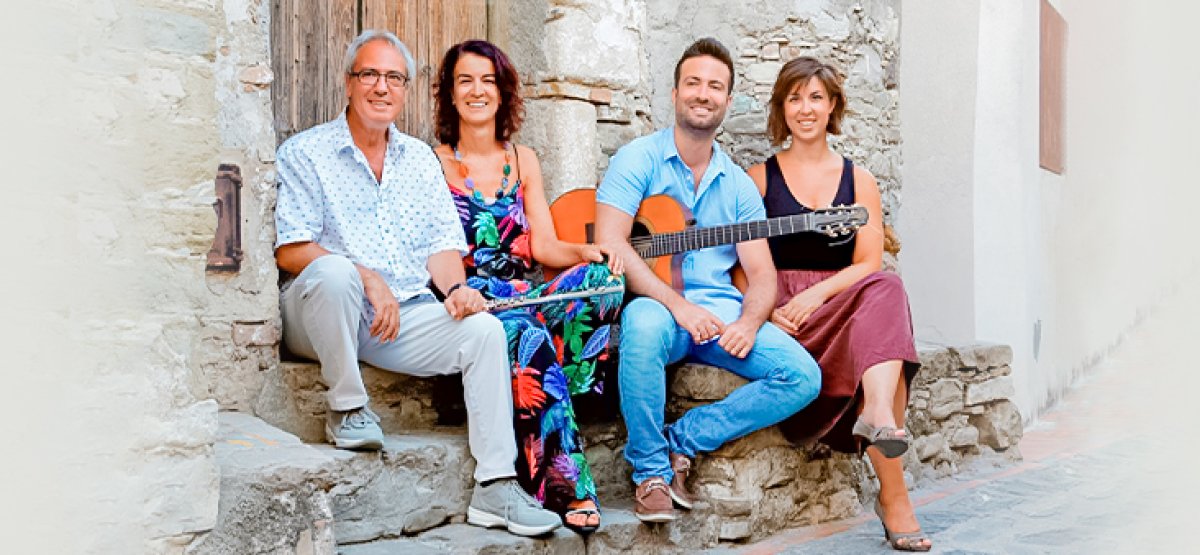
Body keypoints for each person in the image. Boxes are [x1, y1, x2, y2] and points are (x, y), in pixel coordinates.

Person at [273, 30, 560, 538]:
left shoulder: (419, 160)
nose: (381, 87)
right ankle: (347, 409)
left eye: (394, 78)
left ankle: (495, 486)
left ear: (405, 90)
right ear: (348, 83)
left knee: (484, 332)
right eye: (369, 74)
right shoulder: (306, 152)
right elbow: (291, 249)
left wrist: (456, 291)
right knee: (337, 275)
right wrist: (367, 278)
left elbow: (442, 248)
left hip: (397, 318)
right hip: (320, 313)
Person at [594, 38, 822, 523]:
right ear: (674, 93)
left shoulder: (737, 184)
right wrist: (679, 308)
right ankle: (651, 473)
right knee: (642, 326)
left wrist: (749, 321)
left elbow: (762, 273)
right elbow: (612, 242)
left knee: (803, 376)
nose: (703, 93)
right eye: (693, 83)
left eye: (715, 86)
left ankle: (684, 439)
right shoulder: (638, 159)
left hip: (721, 314)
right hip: (659, 306)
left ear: (728, 100)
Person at [431, 39, 626, 535]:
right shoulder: (432, 163)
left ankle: (554, 393)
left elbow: (543, 245)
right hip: (476, 302)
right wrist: (461, 292)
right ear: (451, 94)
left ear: (503, 92)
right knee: (527, 333)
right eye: (465, 81)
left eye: (488, 81)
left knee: (605, 280)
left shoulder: (523, 160)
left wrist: (584, 252)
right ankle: (567, 488)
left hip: (526, 294)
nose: (477, 91)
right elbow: (434, 251)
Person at [746, 56, 930, 551]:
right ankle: (895, 498)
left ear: (833, 107)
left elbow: (868, 262)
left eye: (815, 98)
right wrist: (764, 309)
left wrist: (816, 294)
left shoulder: (858, 180)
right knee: (884, 348)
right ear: (782, 109)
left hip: (839, 307)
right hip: (785, 318)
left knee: (887, 288)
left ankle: (878, 415)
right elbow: (740, 263)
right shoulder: (759, 179)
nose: (805, 108)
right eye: (794, 98)